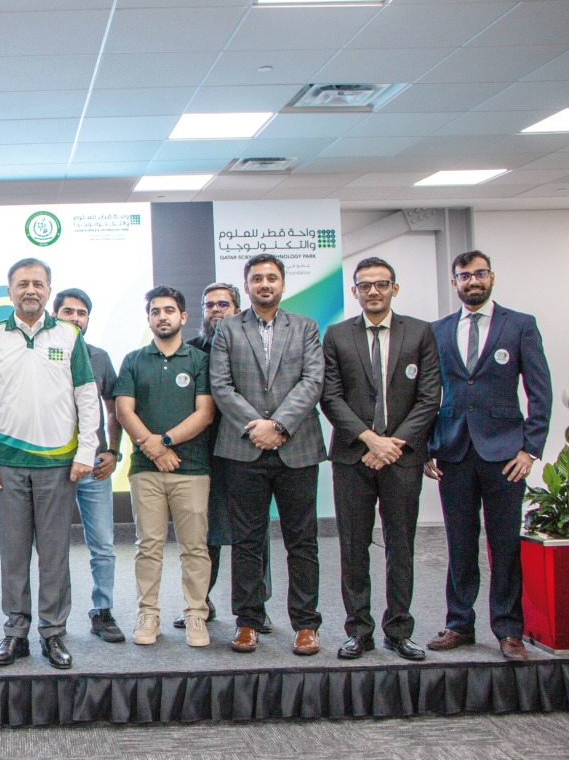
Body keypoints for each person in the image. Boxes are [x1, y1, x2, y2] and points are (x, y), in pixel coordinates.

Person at [424, 250, 552, 662]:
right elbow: (427, 397)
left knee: (504, 545)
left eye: (479, 274)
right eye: (464, 276)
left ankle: (508, 629)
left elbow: (540, 392)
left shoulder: (520, 325)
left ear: (491, 277)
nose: (472, 281)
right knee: (459, 543)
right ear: (454, 282)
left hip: (505, 454)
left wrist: (530, 449)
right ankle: (459, 623)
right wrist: (428, 445)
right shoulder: (438, 331)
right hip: (453, 452)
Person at [0, 258, 100, 670]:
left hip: (58, 465)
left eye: (38, 284)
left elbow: (86, 396)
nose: (31, 290)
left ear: (49, 290)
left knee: (54, 553)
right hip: (6, 464)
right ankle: (15, 633)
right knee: (13, 553)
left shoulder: (69, 335)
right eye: (22, 283)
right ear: (9, 290)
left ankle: (53, 632)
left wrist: (85, 451)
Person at [320, 258, 441, 661]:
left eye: (381, 284)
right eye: (365, 285)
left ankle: (399, 630)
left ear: (395, 288)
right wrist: (372, 440)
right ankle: (359, 630)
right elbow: (331, 397)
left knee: (400, 544)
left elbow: (429, 397)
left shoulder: (420, 333)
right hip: (353, 458)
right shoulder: (337, 336)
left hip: (402, 459)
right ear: (354, 291)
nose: (373, 291)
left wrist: (395, 444)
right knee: (353, 546)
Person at [210, 253, 326, 656]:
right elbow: (221, 385)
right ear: (247, 285)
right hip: (244, 449)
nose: (264, 284)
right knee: (246, 541)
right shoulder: (227, 328)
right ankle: (247, 621)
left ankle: (306, 624)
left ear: (282, 284)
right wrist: (257, 426)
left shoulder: (306, 327)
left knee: (302, 541)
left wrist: (278, 426)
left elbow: (313, 381)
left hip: (297, 447)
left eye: (271, 278)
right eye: (257, 278)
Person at [115, 286, 215, 647]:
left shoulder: (199, 361)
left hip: (192, 469)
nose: (162, 316)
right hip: (145, 468)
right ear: (149, 318)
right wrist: (154, 450)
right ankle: (148, 614)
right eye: (155, 311)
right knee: (148, 545)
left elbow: (205, 413)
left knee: (194, 547)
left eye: (169, 310)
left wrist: (166, 441)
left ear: (183, 317)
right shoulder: (133, 359)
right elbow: (124, 410)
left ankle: (196, 616)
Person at [182, 282, 274, 634]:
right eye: (209, 305)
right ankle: (199, 603)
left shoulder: (254, 347)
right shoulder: (191, 351)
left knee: (254, 533)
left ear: (238, 308)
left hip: (249, 451)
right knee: (202, 534)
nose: (216, 310)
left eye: (224, 303)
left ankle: (256, 608)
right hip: (204, 454)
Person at [53, 288, 125, 643]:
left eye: (82, 313)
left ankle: (103, 610)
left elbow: (113, 409)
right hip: (54, 466)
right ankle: (55, 618)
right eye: (68, 311)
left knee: (103, 545)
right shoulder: (43, 356)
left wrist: (113, 451)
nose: (76, 318)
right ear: (56, 316)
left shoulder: (99, 357)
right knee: (55, 546)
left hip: (94, 466)